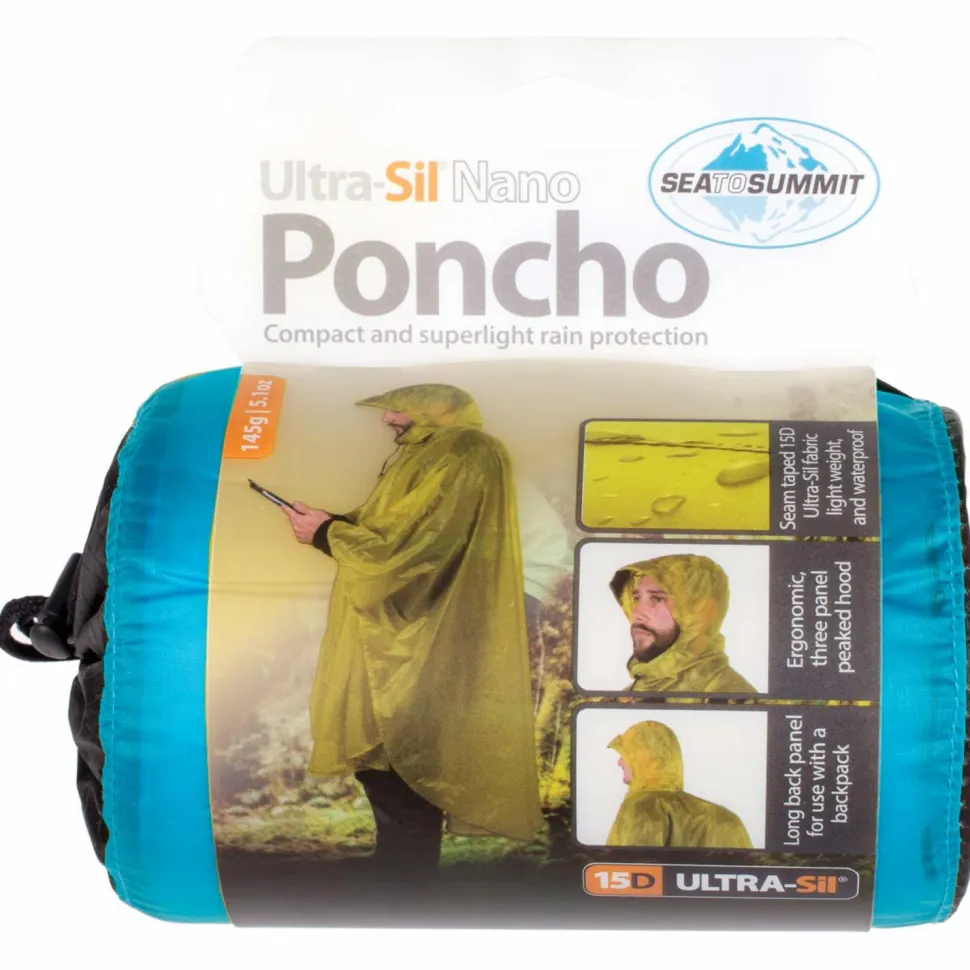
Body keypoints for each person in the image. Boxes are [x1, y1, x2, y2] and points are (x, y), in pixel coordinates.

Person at [281, 383, 543, 870]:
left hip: (426, 627)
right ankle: (398, 871)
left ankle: (405, 879)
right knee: (383, 761)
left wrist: (327, 534)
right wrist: (331, 525)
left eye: (396, 410)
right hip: (394, 626)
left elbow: (421, 548)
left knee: (409, 755)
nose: (386, 420)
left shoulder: (464, 451)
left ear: (434, 410)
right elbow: (396, 529)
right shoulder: (426, 454)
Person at [609, 553, 756, 693]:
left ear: (697, 611)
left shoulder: (730, 695)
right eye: (636, 599)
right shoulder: (631, 694)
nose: (636, 613)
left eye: (657, 599)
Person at [606, 720, 753, 849]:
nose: (619, 762)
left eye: (625, 754)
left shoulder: (641, 808)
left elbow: (628, 869)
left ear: (644, 757)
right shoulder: (728, 818)